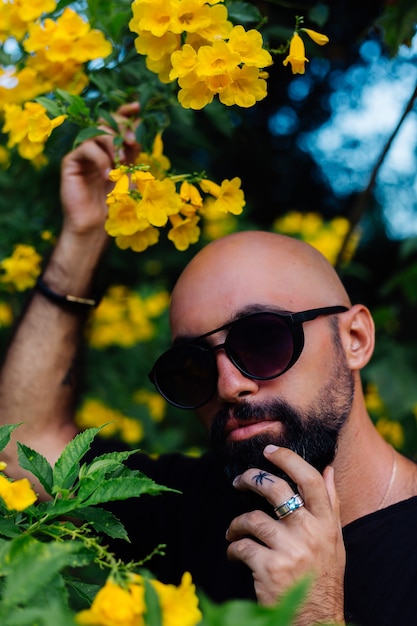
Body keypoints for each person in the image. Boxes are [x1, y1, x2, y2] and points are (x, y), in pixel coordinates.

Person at [1, 122, 417, 626]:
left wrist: (312, 611)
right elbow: (19, 451)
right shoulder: (200, 507)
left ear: (355, 339)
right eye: (192, 366)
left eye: (262, 339)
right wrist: (84, 237)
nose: (228, 385)